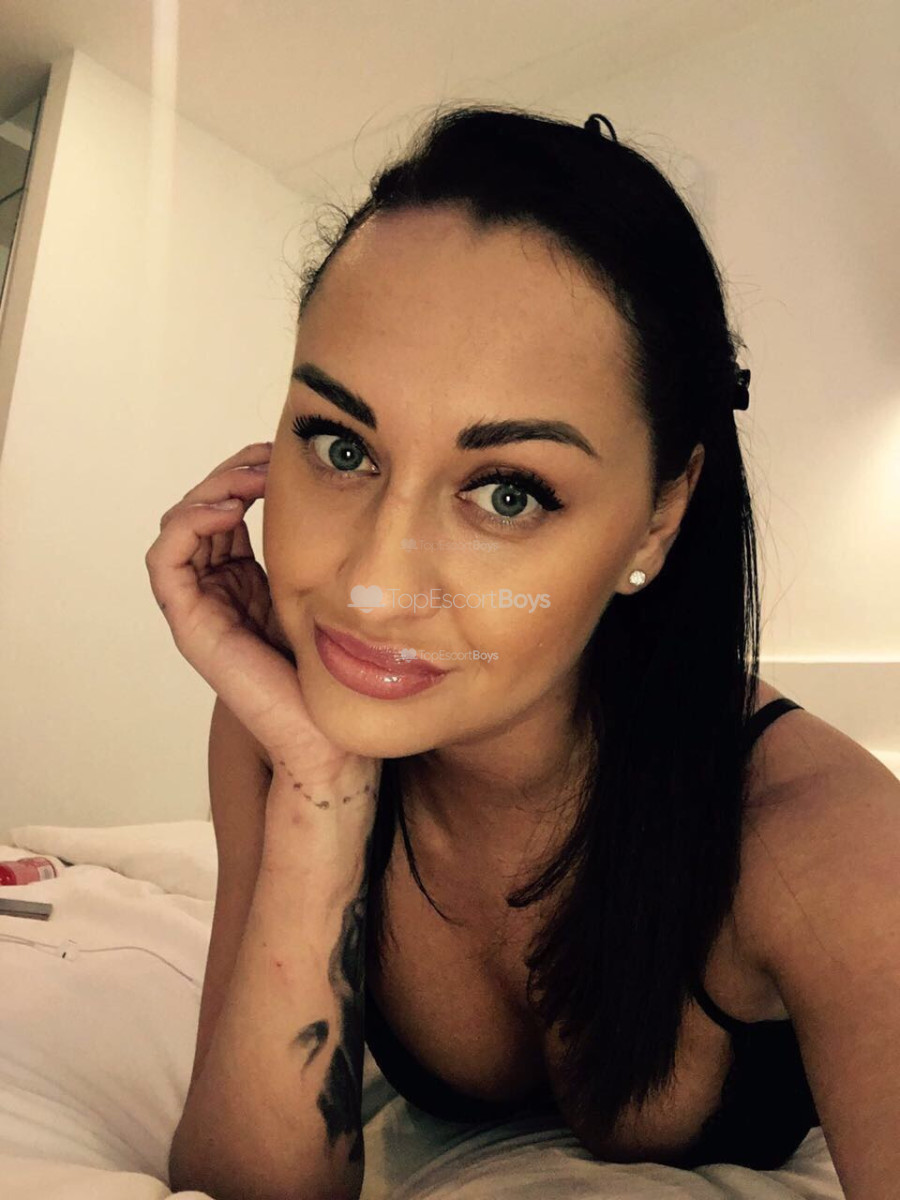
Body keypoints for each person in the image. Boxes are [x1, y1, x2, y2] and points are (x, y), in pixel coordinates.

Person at [147, 104, 900, 1200]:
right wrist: (320, 791)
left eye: (508, 493)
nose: (373, 584)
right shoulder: (278, 724)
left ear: (657, 518)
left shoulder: (823, 842)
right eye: (341, 446)